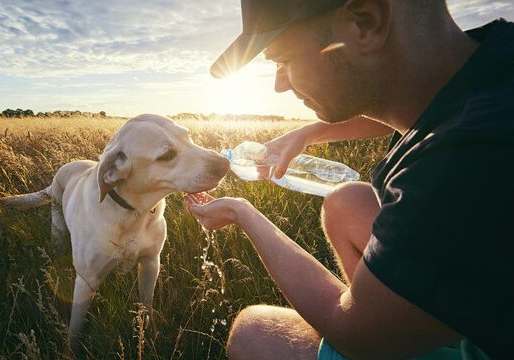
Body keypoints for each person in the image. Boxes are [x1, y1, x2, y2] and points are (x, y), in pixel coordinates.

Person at [185, 0, 513, 359]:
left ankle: (395, 317)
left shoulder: (463, 162)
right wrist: (308, 133)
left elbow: (355, 333)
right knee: (345, 203)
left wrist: (241, 212)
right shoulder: (493, 64)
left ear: (365, 22)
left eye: (282, 60)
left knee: (254, 334)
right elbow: (416, 96)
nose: (279, 85)